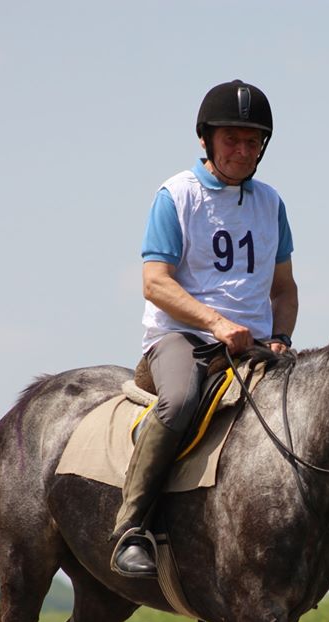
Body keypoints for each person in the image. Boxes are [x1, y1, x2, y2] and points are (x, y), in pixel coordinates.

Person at [110, 79, 298, 577]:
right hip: (179, 340)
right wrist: (216, 323)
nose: (242, 150)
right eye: (231, 139)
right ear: (207, 140)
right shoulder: (176, 196)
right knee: (181, 401)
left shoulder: (271, 204)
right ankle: (131, 529)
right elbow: (156, 284)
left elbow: (283, 288)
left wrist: (281, 336)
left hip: (254, 344)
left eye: (252, 141)